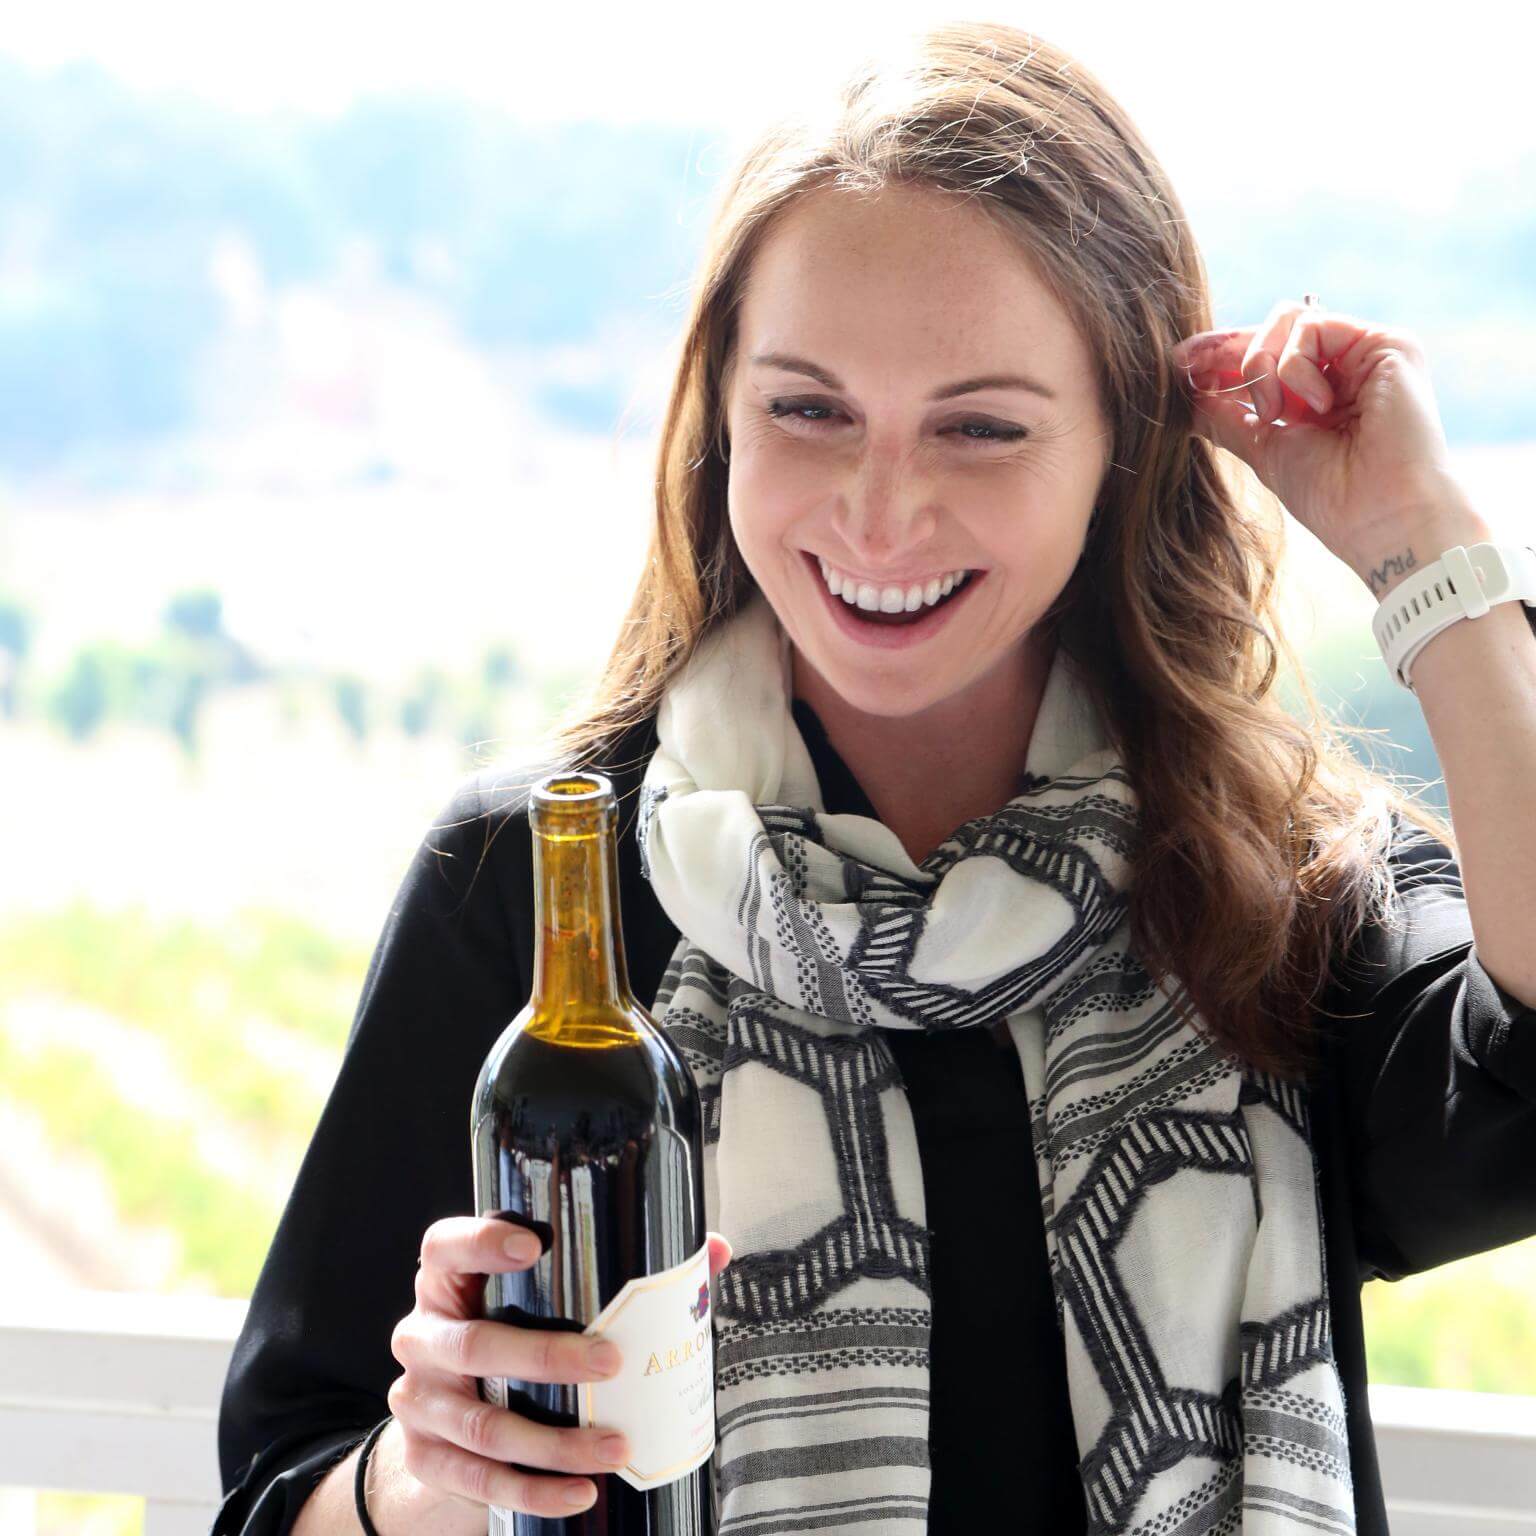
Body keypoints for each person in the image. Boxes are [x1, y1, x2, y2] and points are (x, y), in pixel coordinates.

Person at [214, 20, 1536, 1536]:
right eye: (808, 409)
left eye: (980, 426)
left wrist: (1427, 548)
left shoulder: (1272, 888)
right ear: (718, 418)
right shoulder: (537, 887)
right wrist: (428, 1472)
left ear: (1125, 444)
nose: (881, 510)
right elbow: (277, 1491)